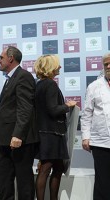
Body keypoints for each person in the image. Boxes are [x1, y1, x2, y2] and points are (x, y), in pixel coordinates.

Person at [0, 46, 38, 200]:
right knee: (4, 180)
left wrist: (18, 135)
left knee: (23, 182)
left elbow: (25, 108)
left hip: (19, 140)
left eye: (1, 57)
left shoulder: (24, 76)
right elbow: (9, 107)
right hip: (5, 139)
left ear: (11, 58)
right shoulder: (10, 78)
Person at [33, 55, 76, 200]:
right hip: (51, 134)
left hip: (47, 133)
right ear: (50, 67)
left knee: (56, 169)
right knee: (46, 170)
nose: (60, 67)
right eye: (58, 64)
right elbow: (53, 109)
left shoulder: (39, 84)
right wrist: (67, 106)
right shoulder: (50, 84)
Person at [81, 53, 110, 200]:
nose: (108, 66)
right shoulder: (94, 86)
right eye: (106, 64)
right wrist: (86, 137)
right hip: (101, 142)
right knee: (102, 182)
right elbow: (87, 114)